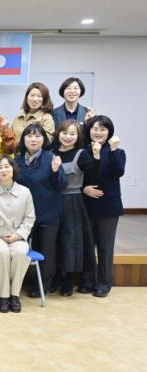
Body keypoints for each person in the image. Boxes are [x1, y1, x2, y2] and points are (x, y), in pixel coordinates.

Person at [0, 155, 36, 313]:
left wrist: (18, 235)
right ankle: (3, 296)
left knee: (20, 253)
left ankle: (14, 295)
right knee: (2, 252)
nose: (3, 170)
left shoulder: (25, 192)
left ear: (13, 169)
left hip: (18, 236)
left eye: (7, 166)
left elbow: (30, 218)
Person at [14, 123, 67, 298]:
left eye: (38, 136)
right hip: (23, 216)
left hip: (47, 213)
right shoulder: (17, 160)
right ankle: (16, 283)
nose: (33, 139)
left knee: (47, 251)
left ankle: (42, 286)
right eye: (29, 135)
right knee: (19, 248)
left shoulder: (51, 157)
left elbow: (62, 185)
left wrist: (55, 171)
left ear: (44, 139)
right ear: (23, 139)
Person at [52, 120, 100, 296]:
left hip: (73, 200)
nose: (68, 137)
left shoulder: (81, 154)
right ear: (58, 133)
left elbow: (94, 175)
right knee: (54, 240)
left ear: (78, 136)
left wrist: (96, 156)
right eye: (65, 133)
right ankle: (56, 277)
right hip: (53, 200)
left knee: (72, 241)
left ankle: (69, 280)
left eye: (72, 134)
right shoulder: (51, 152)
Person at [82, 115, 126, 297]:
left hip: (108, 206)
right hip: (87, 204)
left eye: (103, 129)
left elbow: (118, 172)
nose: (98, 132)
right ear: (89, 130)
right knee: (87, 244)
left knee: (105, 246)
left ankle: (104, 282)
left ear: (109, 132)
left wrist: (113, 150)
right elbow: (79, 176)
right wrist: (84, 189)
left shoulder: (117, 152)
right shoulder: (83, 151)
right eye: (95, 129)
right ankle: (87, 280)